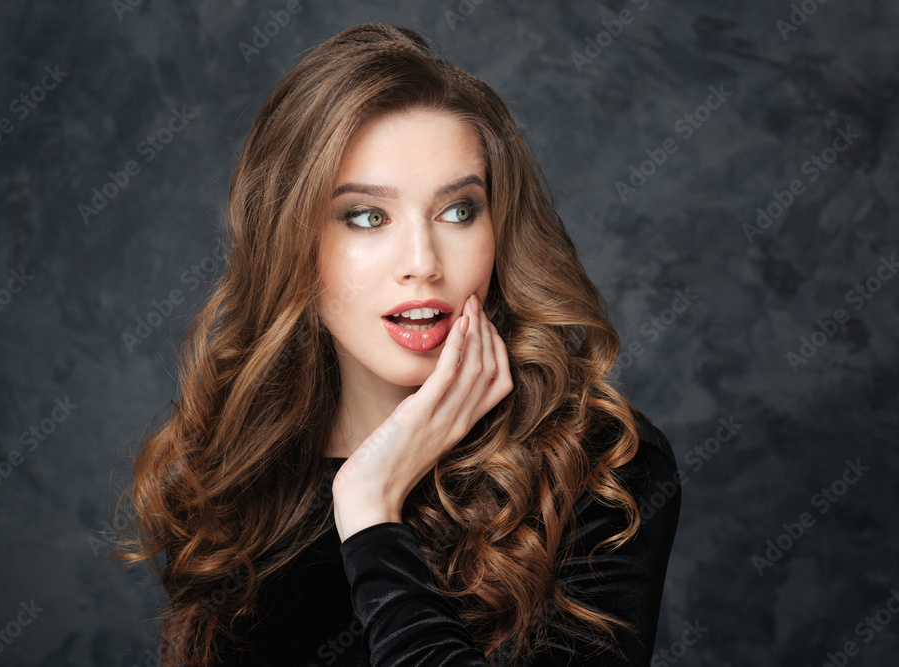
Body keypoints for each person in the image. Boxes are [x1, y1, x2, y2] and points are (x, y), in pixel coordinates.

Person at [117, 22, 680, 667]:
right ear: (291, 240)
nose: (423, 262)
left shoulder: (599, 464)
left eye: (458, 211)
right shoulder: (233, 472)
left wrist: (370, 514)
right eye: (366, 216)